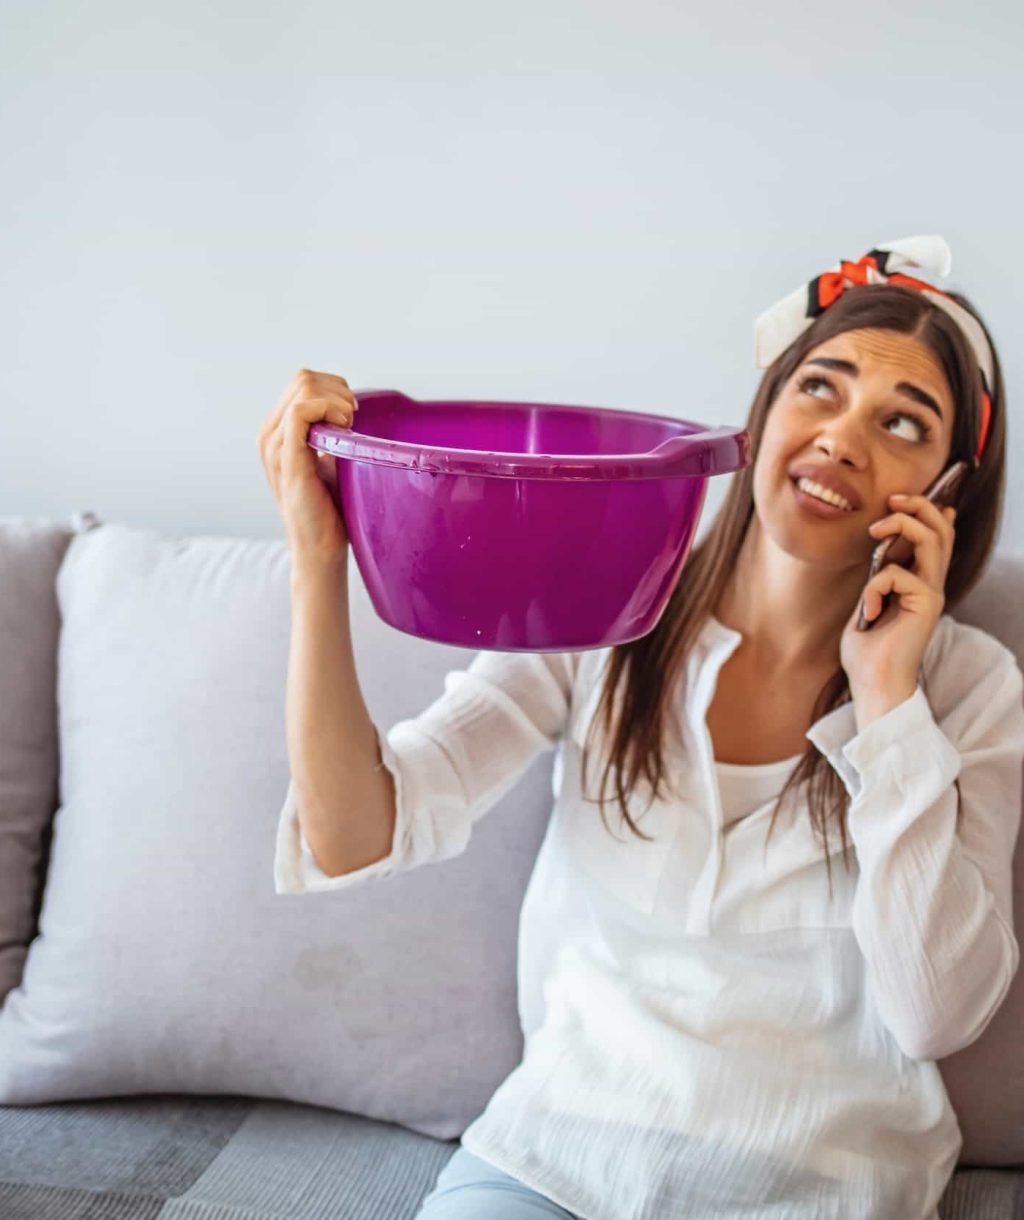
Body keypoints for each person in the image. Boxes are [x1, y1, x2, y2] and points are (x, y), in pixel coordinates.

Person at [258, 234, 1024, 1220]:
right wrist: (319, 563)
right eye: (820, 389)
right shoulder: (602, 600)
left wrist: (886, 697)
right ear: (764, 412)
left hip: (822, 1187)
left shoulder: (972, 691)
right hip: (554, 1161)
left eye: (903, 423)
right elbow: (353, 829)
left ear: (950, 488)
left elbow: (933, 1012)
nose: (842, 437)